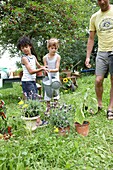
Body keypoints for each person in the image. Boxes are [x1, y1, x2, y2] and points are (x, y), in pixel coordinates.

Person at [85, 0, 113, 119]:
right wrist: (87, 56)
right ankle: (99, 104)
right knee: (98, 80)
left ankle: (111, 108)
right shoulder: (94, 17)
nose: (102, 2)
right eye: (99, 0)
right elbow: (91, 39)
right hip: (101, 52)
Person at [43, 38, 61, 116]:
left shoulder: (57, 57)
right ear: (48, 48)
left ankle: (56, 107)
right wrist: (45, 70)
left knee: (55, 91)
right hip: (48, 76)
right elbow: (45, 67)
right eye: (52, 48)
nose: (54, 50)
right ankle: (48, 108)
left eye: (55, 48)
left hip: (55, 76)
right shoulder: (45, 58)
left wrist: (50, 70)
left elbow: (57, 69)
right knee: (48, 91)